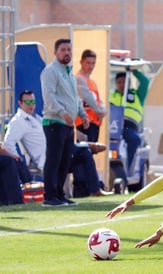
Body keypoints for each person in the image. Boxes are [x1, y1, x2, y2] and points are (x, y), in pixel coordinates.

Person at [3, 90, 109, 198]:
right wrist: (16, 157)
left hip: (56, 153)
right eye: (27, 102)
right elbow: (8, 143)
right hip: (46, 158)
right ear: (20, 103)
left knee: (82, 156)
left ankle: (83, 193)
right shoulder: (18, 121)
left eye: (33, 101)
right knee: (82, 151)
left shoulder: (37, 118)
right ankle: (94, 186)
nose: (31, 105)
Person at [40, 38, 90, 207]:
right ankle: (50, 196)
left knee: (64, 161)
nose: (66, 52)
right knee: (53, 160)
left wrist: (82, 114)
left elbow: (74, 98)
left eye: (69, 49)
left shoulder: (69, 72)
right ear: (55, 52)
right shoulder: (51, 71)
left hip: (68, 124)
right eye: (63, 49)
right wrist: (62, 112)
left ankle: (60, 194)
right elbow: (49, 96)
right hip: (54, 122)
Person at [109, 70, 149, 172]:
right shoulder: (111, 96)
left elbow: (145, 82)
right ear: (115, 84)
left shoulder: (137, 95)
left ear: (129, 83)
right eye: (119, 82)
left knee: (134, 139)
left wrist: (133, 70)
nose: (122, 85)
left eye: (124, 82)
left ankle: (128, 168)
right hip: (113, 126)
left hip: (129, 126)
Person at [75, 49, 106, 142]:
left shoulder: (92, 82)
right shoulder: (79, 78)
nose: (91, 66)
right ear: (81, 62)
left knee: (91, 150)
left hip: (94, 122)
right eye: (88, 63)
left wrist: (103, 111)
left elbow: (98, 100)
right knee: (84, 151)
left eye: (93, 63)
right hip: (84, 122)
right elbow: (86, 96)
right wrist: (99, 111)